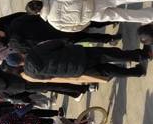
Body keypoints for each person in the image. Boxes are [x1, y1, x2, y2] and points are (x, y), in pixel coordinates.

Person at [30, 0, 153, 29]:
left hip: (93, 16)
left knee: (124, 16)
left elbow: (74, 29)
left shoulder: (53, 22)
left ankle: (149, 16)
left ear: (37, 13)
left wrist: (86, 22)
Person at [15, 40, 149, 82]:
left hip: (76, 70)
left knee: (107, 70)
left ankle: (137, 72)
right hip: (78, 54)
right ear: (20, 54)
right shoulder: (34, 51)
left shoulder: (31, 74)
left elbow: (49, 77)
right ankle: (140, 55)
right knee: (110, 55)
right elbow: (56, 44)